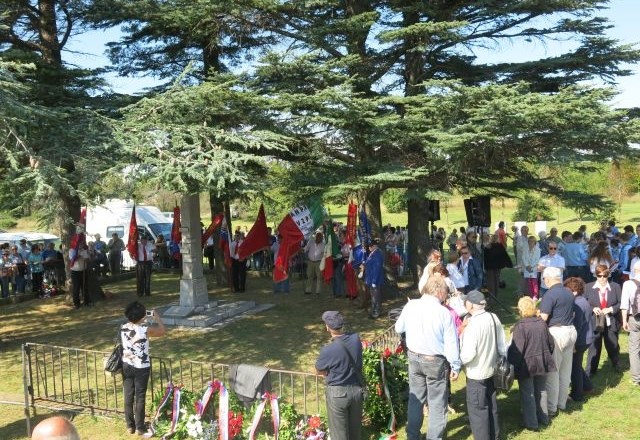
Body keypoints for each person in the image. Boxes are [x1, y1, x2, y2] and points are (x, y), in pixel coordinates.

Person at [395, 273, 461, 440]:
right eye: (446, 292)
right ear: (439, 292)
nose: (446, 296)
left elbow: (398, 328)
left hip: (414, 357)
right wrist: (455, 365)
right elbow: (451, 342)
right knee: (437, 403)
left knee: (416, 399)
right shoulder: (443, 313)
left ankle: (412, 436)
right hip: (434, 360)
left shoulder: (411, 306)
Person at [459, 290, 505, 440]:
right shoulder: (493, 317)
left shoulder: (473, 324)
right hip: (492, 370)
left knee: (478, 412)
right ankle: (495, 436)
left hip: (476, 375)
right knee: (492, 407)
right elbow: (501, 346)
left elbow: (468, 354)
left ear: (471, 305)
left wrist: (457, 363)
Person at [507, 296, 556, 431]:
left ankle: (531, 423)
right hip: (542, 361)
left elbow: (517, 351)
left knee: (528, 393)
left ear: (521, 310)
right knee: (541, 390)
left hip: (527, 365)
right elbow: (551, 344)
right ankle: (544, 418)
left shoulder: (521, 326)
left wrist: (511, 363)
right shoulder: (541, 323)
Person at [315, 311, 363, 440]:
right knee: (355, 432)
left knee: (339, 434)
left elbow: (319, 370)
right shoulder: (356, 339)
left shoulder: (328, 350)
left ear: (327, 327)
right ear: (342, 324)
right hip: (356, 390)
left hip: (337, 393)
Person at [121, 301, 166, 436]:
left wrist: (140, 318)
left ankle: (130, 425)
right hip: (141, 367)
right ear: (141, 317)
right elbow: (162, 331)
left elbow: (133, 323)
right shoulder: (145, 329)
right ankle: (140, 427)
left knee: (128, 395)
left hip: (127, 365)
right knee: (140, 397)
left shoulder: (123, 327)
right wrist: (156, 317)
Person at [539, 266, 577, 417]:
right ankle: (562, 403)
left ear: (547, 279)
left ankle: (551, 407)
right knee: (565, 371)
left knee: (552, 373)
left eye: (544, 279)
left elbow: (543, 318)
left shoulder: (550, 294)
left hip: (557, 333)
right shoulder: (568, 292)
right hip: (571, 331)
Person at [584, 265, 623, 376]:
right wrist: (592, 308)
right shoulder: (588, 287)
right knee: (594, 346)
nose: (602, 278)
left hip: (611, 320)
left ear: (608, 275)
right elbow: (583, 302)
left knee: (613, 344)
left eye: (604, 276)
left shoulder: (615, 287)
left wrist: (611, 309)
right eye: (599, 276)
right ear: (595, 275)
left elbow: (621, 303)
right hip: (594, 321)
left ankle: (616, 363)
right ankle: (591, 370)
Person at [563, 277, 594, 401]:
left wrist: (573, 343)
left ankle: (577, 394)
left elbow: (578, 325)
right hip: (586, 338)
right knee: (577, 365)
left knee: (574, 367)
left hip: (580, 340)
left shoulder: (577, 303)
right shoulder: (583, 300)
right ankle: (587, 386)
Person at [621, 260, 640, 386]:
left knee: (634, 349)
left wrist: (624, 321)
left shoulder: (628, 283)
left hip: (635, 317)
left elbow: (624, 305)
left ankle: (636, 379)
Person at [483, 233, 512, 298]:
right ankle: (495, 295)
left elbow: (485, 258)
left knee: (491, 281)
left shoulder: (487, 247)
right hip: (498, 266)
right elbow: (504, 255)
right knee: (496, 280)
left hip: (490, 267)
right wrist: (508, 263)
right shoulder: (500, 246)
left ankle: (492, 295)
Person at [364, 238, 384, 319]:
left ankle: (376, 312)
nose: (369, 247)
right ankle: (374, 311)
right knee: (374, 296)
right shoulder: (373, 253)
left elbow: (377, 268)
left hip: (375, 279)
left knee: (375, 296)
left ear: (375, 246)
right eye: (369, 246)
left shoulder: (377, 254)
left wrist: (374, 280)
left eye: (370, 246)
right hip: (371, 278)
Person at [70, 243, 90, 309]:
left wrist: (86, 257)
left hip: (83, 270)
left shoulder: (84, 250)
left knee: (84, 287)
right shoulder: (72, 250)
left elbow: (87, 260)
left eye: (81, 244)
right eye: (79, 244)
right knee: (76, 288)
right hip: (75, 271)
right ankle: (76, 304)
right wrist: (78, 255)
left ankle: (86, 302)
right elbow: (72, 259)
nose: (80, 245)